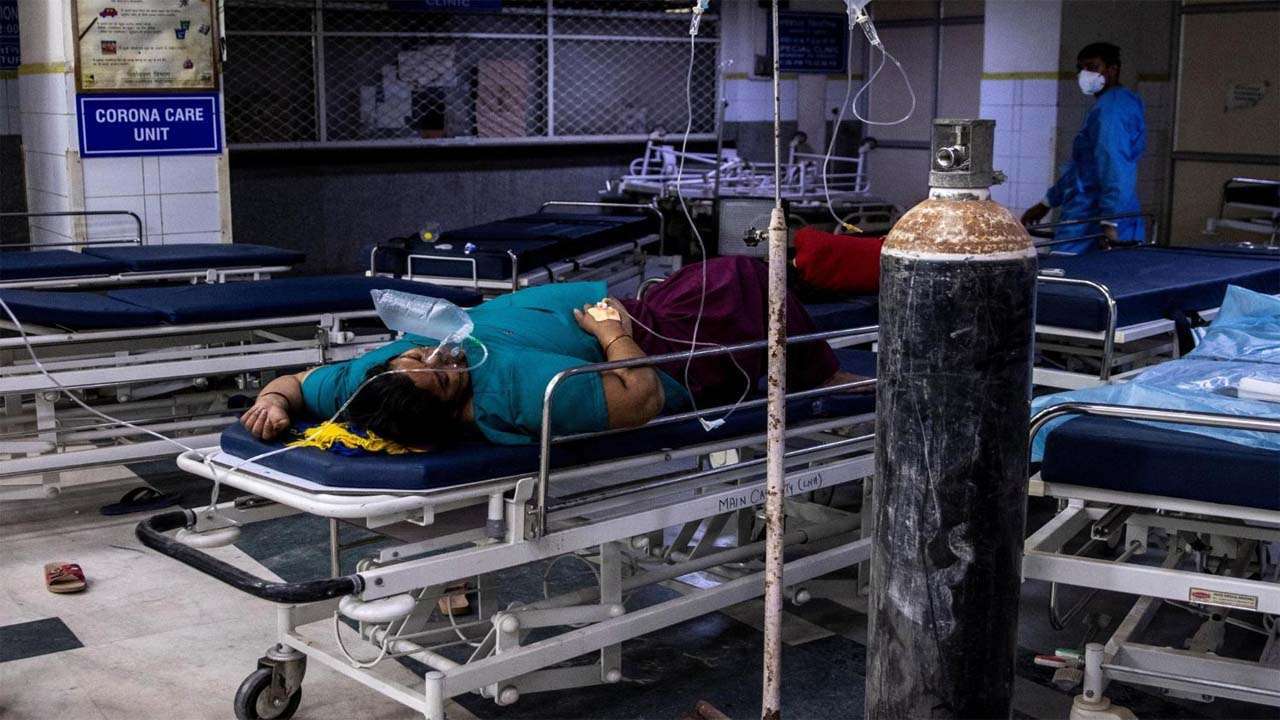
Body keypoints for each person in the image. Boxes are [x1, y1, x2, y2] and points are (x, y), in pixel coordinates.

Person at [240, 256, 863, 448]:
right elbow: (640, 399)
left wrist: (272, 400)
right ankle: (823, 375)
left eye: (420, 358)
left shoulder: (366, 380)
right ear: (455, 410)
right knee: (741, 281)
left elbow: (299, 381)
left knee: (730, 278)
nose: (442, 359)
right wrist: (611, 332)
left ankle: (811, 350)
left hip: (630, 312)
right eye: (445, 378)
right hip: (659, 347)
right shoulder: (520, 393)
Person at [1020, 42, 1147, 254]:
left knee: (1070, 273)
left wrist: (1110, 223)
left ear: (1112, 70)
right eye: (1081, 68)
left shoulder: (1112, 112)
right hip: (1092, 215)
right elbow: (1083, 168)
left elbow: (1114, 167)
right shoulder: (1113, 104)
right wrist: (1047, 202)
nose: (1085, 74)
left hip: (1093, 219)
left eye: (1093, 67)